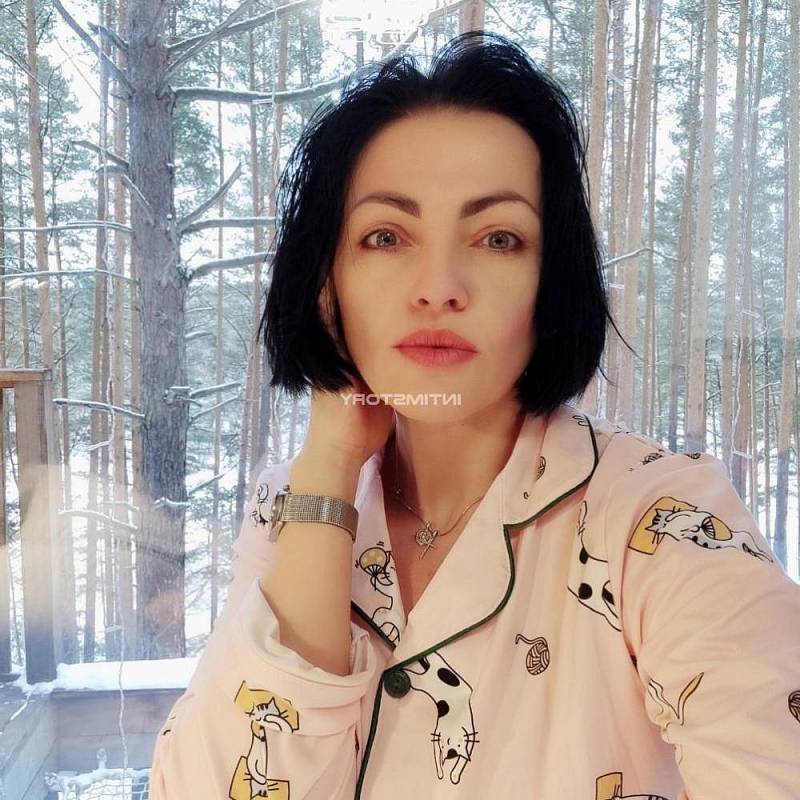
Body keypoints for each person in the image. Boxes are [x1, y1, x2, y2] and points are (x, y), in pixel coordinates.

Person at [149, 30, 800, 799]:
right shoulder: (290, 508)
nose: (439, 286)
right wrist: (328, 462)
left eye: (498, 238)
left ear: (550, 280)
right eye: (386, 236)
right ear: (327, 283)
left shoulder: (658, 520)